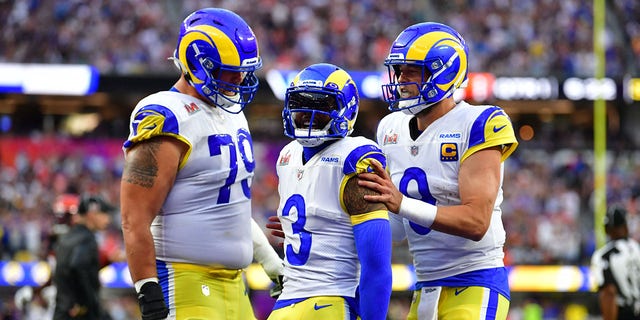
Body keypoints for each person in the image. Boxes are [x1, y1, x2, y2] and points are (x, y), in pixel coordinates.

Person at [120, 7, 283, 320]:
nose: (240, 78)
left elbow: (228, 207)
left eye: (243, 69)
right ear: (196, 63)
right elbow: (134, 216)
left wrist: (269, 261)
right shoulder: (166, 114)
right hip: (186, 285)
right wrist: (147, 289)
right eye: (228, 70)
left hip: (238, 288)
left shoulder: (232, 112)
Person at [356, 22, 518, 319]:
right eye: (399, 70)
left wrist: (401, 203)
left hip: (475, 281)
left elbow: (476, 222)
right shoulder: (390, 128)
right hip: (424, 286)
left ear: (443, 72)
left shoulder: (480, 123)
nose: (401, 79)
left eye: (411, 71)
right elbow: (394, 228)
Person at [266, 63, 392, 320]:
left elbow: (376, 266)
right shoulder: (287, 156)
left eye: (321, 106)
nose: (306, 113)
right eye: (299, 103)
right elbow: (376, 266)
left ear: (346, 110)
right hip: (301, 302)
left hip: (323, 302)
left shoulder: (354, 157)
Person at [52, 195, 115, 320]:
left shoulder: (68, 238)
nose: (108, 219)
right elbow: (78, 265)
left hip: (62, 310)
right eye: (105, 213)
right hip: (79, 312)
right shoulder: (87, 239)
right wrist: (87, 303)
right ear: (92, 214)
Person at [591, 205, 640, 319]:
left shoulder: (603, 256)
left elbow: (609, 294)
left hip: (624, 314)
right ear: (626, 226)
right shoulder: (637, 248)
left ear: (607, 229)